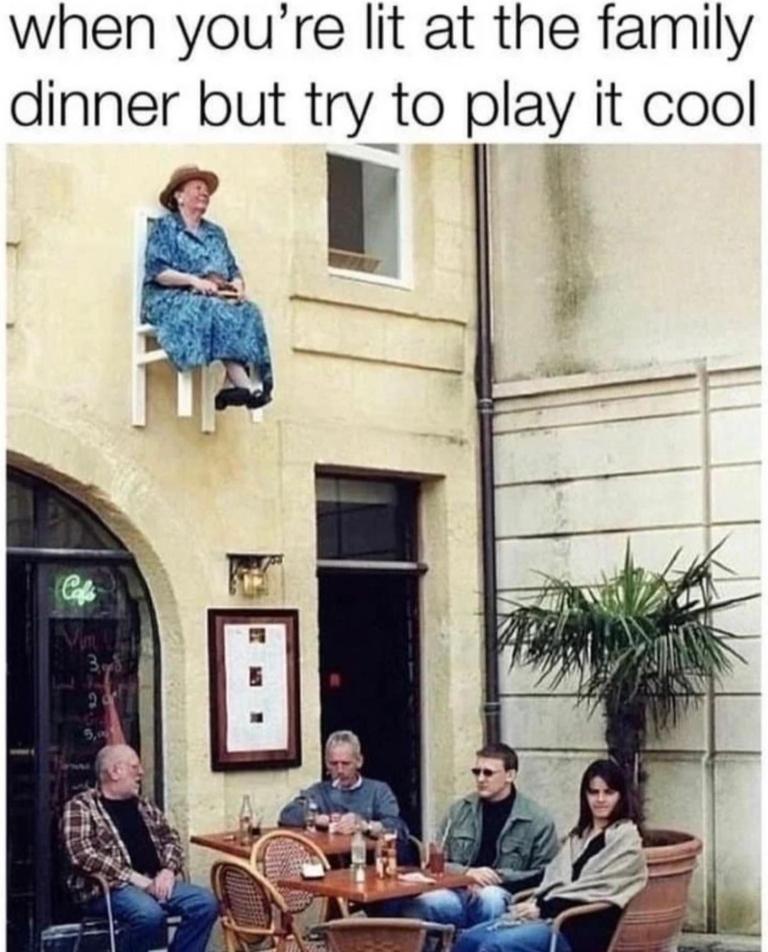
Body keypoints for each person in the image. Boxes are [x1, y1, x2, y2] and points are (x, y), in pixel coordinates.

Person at [453, 758, 648, 952]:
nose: (600, 799)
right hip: (549, 918)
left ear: (621, 796)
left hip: (580, 931)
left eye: (608, 792)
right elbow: (550, 877)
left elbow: (598, 890)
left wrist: (543, 909)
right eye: (593, 792)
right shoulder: (578, 837)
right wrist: (504, 887)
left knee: (494, 946)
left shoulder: (626, 839)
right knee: (469, 939)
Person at [61, 744, 219, 952]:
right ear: (115, 771)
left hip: (155, 881)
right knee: (149, 914)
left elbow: (170, 837)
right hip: (107, 889)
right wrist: (135, 878)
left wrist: (168, 870)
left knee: (205, 903)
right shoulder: (81, 806)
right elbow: (81, 854)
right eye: (135, 767)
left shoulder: (144, 805)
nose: (141, 773)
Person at [143, 164, 273, 411]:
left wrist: (237, 284)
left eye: (206, 191)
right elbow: (158, 271)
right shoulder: (165, 228)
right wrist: (193, 281)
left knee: (249, 311)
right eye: (197, 188)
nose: (204, 193)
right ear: (179, 196)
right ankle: (244, 384)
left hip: (214, 296)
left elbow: (232, 268)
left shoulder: (215, 233)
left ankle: (230, 386)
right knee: (212, 309)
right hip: (169, 297)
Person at [398, 742, 558, 928]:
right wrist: (468, 874)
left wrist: (497, 877)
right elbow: (435, 862)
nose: (481, 778)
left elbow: (546, 873)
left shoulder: (537, 819)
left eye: (488, 773)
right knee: (421, 904)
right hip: (457, 891)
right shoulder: (458, 811)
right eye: (477, 772)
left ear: (510, 775)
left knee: (490, 898)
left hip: (506, 894)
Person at [279, 729, 410, 847]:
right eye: (334, 764)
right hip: (332, 862)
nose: (340, 770)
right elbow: (287, 814)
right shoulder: (319, 792)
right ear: (326, 764)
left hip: (371, 860)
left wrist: (364, 826)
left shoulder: (378, 790)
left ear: (359, 762)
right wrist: (320, 819)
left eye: (346, 763)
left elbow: (398, 827)